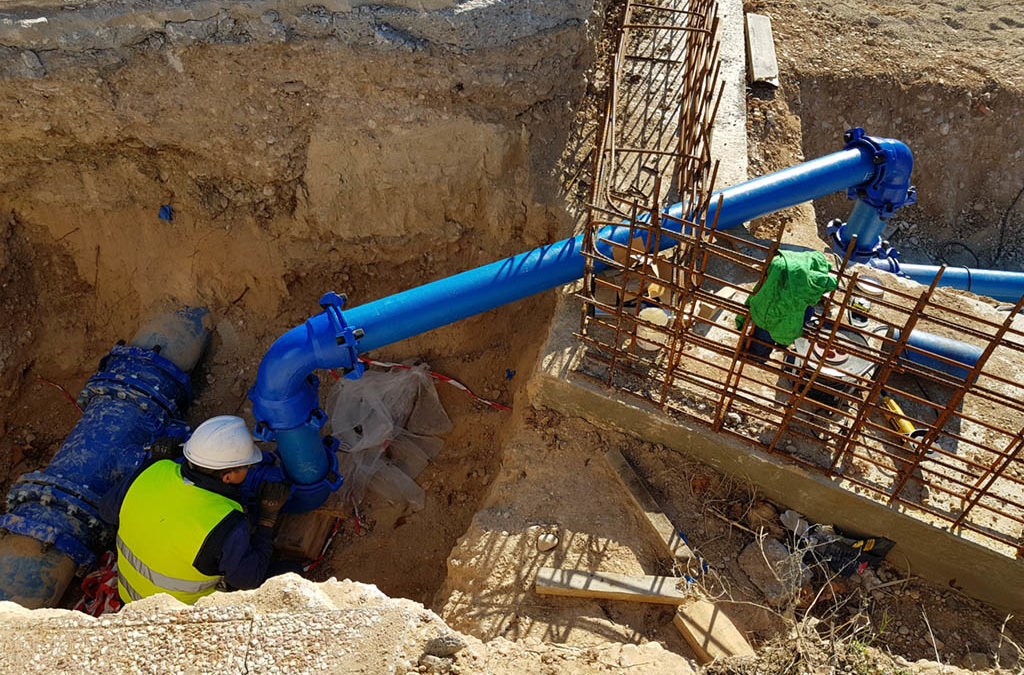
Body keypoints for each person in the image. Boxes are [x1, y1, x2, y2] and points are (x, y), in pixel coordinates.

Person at [99, 415, 291, 605]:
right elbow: (250, 579)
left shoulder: (151, 471)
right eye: (246, 466)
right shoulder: (226, 524)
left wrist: (155, 462)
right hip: (178, 617)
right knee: (291, 573)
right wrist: (267, 519)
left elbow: (106, 512)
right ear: (227, 477)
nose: (249, 470)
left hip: (129, 601)